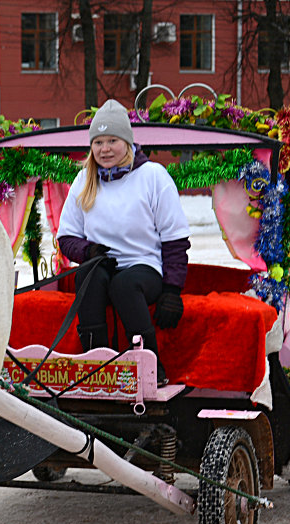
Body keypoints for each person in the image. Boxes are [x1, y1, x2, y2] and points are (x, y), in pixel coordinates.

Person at [56, 99, 191, 387]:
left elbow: (175, 240)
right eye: (98, 142)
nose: (104, 149)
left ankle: (150, 366)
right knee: (87, 276)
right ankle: (98, 365)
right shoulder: (84, 180)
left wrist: (172, 291)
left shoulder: (152, 177)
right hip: (102, 268)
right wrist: (88, 252)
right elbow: (66, 237)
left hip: (144, 269)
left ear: (127, 142)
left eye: (112, 140)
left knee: (124, 284)